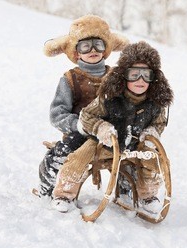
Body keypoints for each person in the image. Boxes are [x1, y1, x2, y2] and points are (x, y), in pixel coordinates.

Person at [51, 41, 174, 213]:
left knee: (154, 159)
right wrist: (101, 127)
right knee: (80, 157)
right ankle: (64, 194)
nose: (140, 80)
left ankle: (147, 195)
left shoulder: (156, 101)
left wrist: (152, 132)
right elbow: (87, 115)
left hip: (136, 142)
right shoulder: (110, 95)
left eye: (146, 75)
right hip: (105, 142)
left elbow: (159, 122)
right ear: (124, 75)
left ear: (154, 77)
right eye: (134, 75)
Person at [37, 14, 129, 198]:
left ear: (105, 49)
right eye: (85, 46)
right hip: (80, 132)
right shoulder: (70, 79)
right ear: (76, 52)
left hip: (111, 132)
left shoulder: (116, 76)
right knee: (62, 153)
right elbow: (57, 114)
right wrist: (78, 125)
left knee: (131, 151)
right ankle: (48, 186)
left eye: (98, 44)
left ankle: (128, 188)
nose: (92, 49)